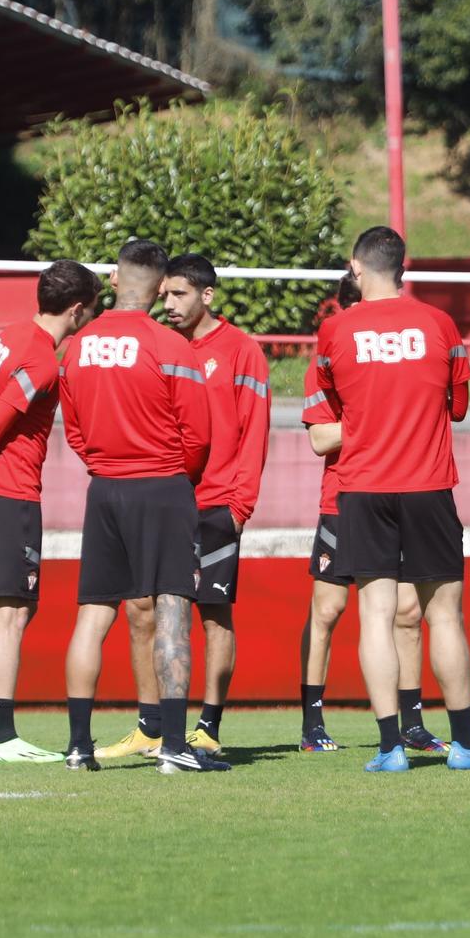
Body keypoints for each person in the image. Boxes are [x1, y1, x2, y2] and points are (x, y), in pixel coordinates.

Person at [303, 225, 470, 774]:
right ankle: (465, 744)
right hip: (427, 485)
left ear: (356, 267)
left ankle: (389, 748)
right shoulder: (440, 325)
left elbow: (329, 407)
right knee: (443, 615)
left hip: (362, 487)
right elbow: (458, 405)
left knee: (374, 615)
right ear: (404, 267)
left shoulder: (333, 332)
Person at [59, 239, 224, 773]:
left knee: (93, 614)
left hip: (105, 487)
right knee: (173, 607)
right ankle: (174, 746)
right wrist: (175, 473)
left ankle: (79, 746)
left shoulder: (79, 346)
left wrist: (102, 463)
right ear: (159, 288)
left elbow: (75, 428)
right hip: (162, 485)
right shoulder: (171, 346)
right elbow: (199, 434)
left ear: (112, 279)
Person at [0, 259, 100, 763]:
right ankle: (2, 736)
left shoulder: (9, 336)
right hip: (9, 492)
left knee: (14, 608)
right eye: (91, 310)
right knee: (12, 612)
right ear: (76, 309)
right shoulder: (42, 361)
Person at [131, 253, 272, 756]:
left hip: (217, 504)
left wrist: (240, 506)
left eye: (179, 294)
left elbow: (255, 431)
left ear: (207, 295)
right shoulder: (160, 345)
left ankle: (208, 728)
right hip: (163, 501)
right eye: (164, 294)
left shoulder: (241, 351)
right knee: (144, 608)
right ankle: (151, 727)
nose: (167, 304)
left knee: (213, 616)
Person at [299, 274, 440, 754]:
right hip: (342, 499)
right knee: (328, 610)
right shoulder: (331, 352)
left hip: (395, 495)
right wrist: (375, 418)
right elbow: (319, 437)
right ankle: (312, 723)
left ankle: (413, 721)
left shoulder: (397, 354)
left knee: (407, 611)